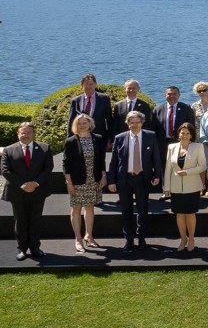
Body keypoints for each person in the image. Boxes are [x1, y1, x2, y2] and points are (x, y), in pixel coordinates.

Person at [108, 111, 163, 252]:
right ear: (127, 123)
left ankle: (142, 238)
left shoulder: (150, 136)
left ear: (142, 122)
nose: (134, 124)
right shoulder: (120, 138)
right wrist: (111, 181)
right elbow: (114, 162)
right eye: (131, 122)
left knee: (143, 210)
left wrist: (157, 175)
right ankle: (129, 239)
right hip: (124, 179)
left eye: (137, 122)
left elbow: (156, 158)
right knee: (126, 211)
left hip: (142, 178)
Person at [2, 122, 53, 260]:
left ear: (34, 133)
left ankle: (35, 247)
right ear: (18, 134)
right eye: (22, 132)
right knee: (20, 220)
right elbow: (5, 171)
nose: (26, 135)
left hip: (38, 191)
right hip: (17, 192)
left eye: (29, 132)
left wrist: (35, 184)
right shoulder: (8, 150)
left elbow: (48, 168)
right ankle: (22, 249)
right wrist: (23, 185)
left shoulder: (44, 148)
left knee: (35, 220)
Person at [63, 114, 106, 252]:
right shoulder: (70, 141)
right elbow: (66, 164)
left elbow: (101, 159)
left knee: (90, 208)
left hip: (93, 179)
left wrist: (103, 176)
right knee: (76, 209)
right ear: (76, 125)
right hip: (77, 181)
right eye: (79, 123)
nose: (82, 125)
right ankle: (78, 239)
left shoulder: (97, 139)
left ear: (90, 123)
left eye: (84, 123)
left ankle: (89, 236)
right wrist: (69, 182)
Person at [162, 121, 206, 252]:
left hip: (192, 187)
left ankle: (191, 238)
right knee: (180, 214)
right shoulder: (172, 147)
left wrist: (187, 172)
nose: (185, 135)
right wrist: (167, 187)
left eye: (188, 133)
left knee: (190, 214)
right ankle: (183, 239)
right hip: (175, 187)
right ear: (179, 134)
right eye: (183, 133)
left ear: (192, 135)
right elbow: (168, 168)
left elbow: (203, 166)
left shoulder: (198, 147)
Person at [67, 73, 113, 146]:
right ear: (82, 85)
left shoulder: (104, 99)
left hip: (100, 137)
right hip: (80, 137)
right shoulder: (75, 101)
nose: (89, 86)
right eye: (86, 84)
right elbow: (71, 121)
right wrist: (69, 138)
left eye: (91, 84)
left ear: (95, 84)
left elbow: (109, 120)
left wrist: (110, 138)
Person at [153, 85, 196, 162]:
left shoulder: (186, 108)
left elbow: (191, 127)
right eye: (169, 94)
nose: (172, 96)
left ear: (179, 95)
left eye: (174, 94)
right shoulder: (157, 109)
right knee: (164, 166)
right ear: (165, 95)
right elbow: (153, 128)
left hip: (180, 142)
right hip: (162, 144)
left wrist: (190, 142)